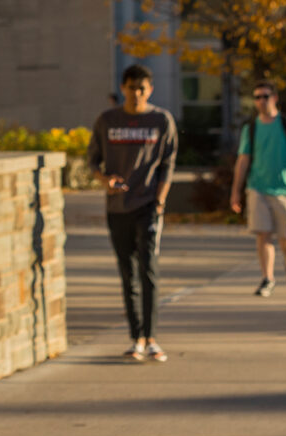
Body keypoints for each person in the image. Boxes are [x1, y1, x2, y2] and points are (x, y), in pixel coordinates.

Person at [88, 64, 179, 362]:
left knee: (148, 270)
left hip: (149, 206)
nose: (136, 93)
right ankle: (136, 337)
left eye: (142, 88)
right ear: (123, 88)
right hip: (117, 208)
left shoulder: (161, 120)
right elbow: (92, 162)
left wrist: (160, 200)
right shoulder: (107, 120)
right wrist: (106, 180)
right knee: (128, 274)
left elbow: (168, 163)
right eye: (131, 87)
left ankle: (152, 338)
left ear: (149, 90)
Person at [229, 82, 286, 297]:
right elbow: (243, 159)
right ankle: (267, 278)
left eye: (265, 96)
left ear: (274, 98)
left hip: (285, 188)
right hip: (258, 188)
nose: (261, 101)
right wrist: (236, 190)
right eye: (257, 97)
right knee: (263, 235)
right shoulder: (251, 128)